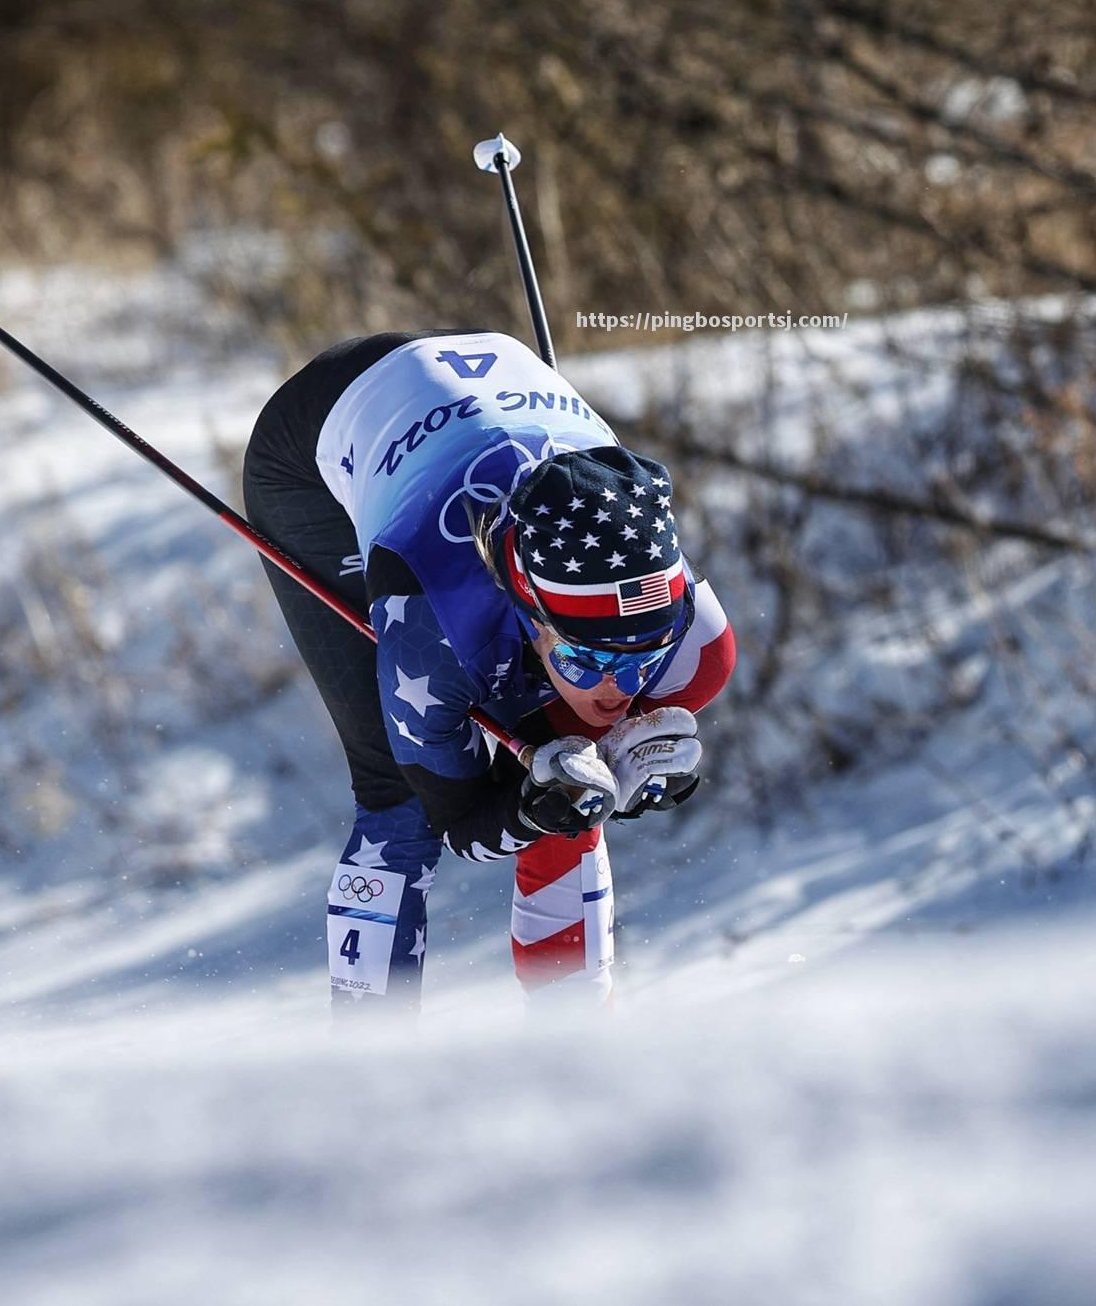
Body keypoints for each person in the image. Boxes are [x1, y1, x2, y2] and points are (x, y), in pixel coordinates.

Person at [241, 329, 738, 1010]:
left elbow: (593, 717)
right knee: (399, 799)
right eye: (585, 658)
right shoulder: (432, 619)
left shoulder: (694, 645)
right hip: (315, 447)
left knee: (574, 779)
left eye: (640, 660)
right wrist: (528, 809)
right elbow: (457, 823)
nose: (616, 688)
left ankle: (573, 1038)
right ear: (529, 615)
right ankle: (367, 1061)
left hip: (483, 393)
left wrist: (585, 777)